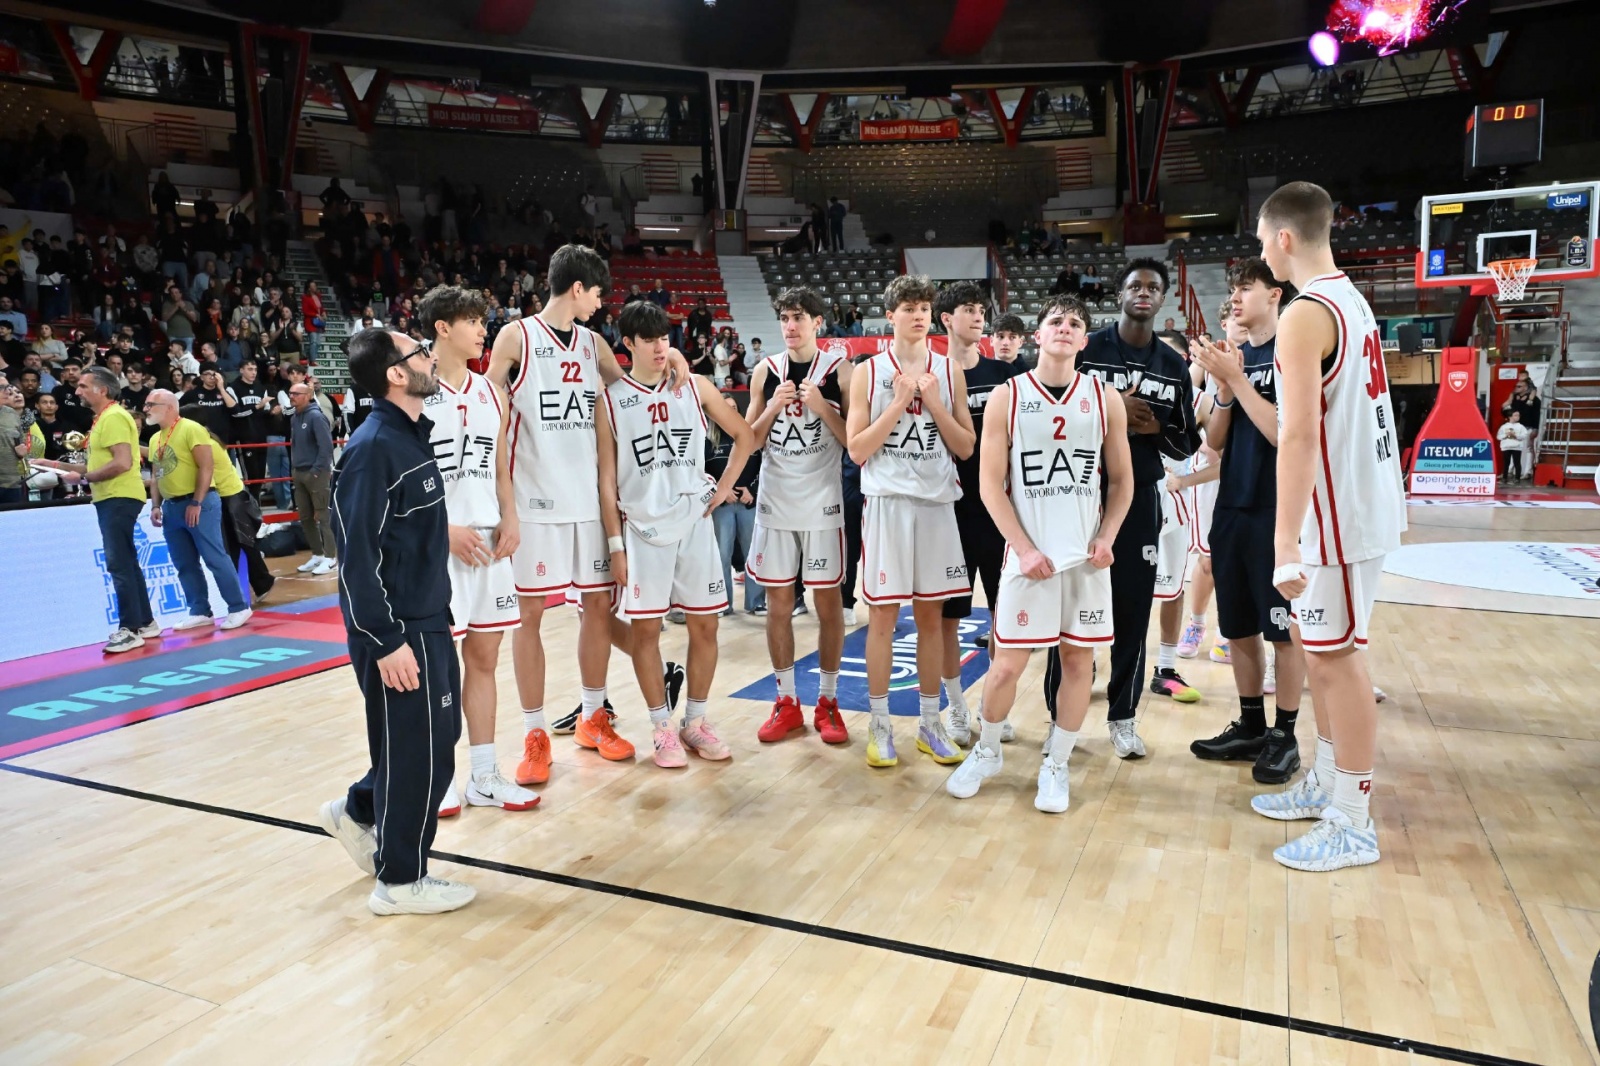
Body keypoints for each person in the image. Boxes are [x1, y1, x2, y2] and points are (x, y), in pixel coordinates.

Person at [486, 244, 691, 777]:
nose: (601, 303)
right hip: (534, 503)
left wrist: (673, 358)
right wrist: (500, 505)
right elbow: (487, 407)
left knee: (597, 608)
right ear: (577, 288)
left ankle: (593, 716)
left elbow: (633, 390)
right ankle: (534, 733)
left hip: (590, 504)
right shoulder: (516, 337)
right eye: (597, 292)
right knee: (529, 615)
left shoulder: (593, 343)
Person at [1254, 180, 1406, 872]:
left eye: (1264, 241)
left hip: (1337, 518)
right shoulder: (1350, 297)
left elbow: (1298, 435)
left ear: (1284, 238)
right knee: (1320, 655)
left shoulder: (1303, 314)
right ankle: (1325, 780)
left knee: (1338, 664)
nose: (1264, 253)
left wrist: (1285, 540)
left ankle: (1353, 818)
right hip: (1361, 503)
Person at [944, 295, 1132, 810]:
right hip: (1028, 561)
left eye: (1075, 323)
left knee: (1078, 662)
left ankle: (1057, 763)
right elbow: (989, 485)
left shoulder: (1105, 398)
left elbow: (1122, 481)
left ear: (1084, 340)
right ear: (1038, 335)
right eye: (1055, 321)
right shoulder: (1007, 396)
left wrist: (1107, 536)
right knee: (1006, 666)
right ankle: (987, 751)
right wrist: (1023, 549)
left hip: (1085, 560)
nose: (1065, 328)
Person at [317, 326, 476, 916]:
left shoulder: (410, 436)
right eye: (420, 352)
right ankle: (401, 881)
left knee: (433, 741)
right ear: (396, 374)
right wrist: (385, 642)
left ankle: (360, 809)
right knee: (420, 753)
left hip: (427, 618)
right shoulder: (372, 449)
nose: (430, 358)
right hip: (398, 631)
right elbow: (356, 559)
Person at [1038, 258, 1200, 758]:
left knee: (1132, 610)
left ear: (1164, 298)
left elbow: (1186, 442)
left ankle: (1123, 716)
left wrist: (1152, 427)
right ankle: (1058, 720)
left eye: (1153, 287)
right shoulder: (1088, 349)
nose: (1143, 292)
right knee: (1068, 614)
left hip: (1139, 499)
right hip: (1077, 496)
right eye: (1135, 285)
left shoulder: (1173, 366)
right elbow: (1049, 412)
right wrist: (1113, 413)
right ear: (1120, 293)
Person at [598, 300, 754, 767]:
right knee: (646, 632)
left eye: (664, 338)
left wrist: (723, 488)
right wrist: (615, 545)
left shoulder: (696, 385)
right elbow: (606, 481)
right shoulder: (611, 399)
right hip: (642, 528)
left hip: (694, 522)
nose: (659, 347)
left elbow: (745, 436)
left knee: (706, 625)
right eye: (649, 340)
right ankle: (662, 728)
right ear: (628, 344)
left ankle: (696, 721)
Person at [415, 284, 538, 817]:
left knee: (484, 659)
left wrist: (511, 516)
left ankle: (484, 775)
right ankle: (437, 775)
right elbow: (401, 475)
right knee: (437, 669)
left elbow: (499, 468)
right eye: (472, 321)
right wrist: (443, 528)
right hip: (436, 546)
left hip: (488, 542)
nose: (483, 330)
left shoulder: (492, 392)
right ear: (442, 328)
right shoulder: (413, 387)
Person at [845, 275, 976, 768]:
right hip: (888, 505)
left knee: (931, 621)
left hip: (937, 506)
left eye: (923, 307)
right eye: (908, 307)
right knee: (882, 618)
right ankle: (880, 726)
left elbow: (966, 447)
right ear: (890, 316)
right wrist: (899, 402)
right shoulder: (868, 372)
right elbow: (857, 449)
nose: (918, 315)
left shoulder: (949, 370)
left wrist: (935, 403)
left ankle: (929, 724)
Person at [1189, 257, 1308, 785]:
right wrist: (1223, 388)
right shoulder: (1238, 357)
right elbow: (1214, 441)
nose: (1235, 297)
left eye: (1245, 288)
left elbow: (1284, 433)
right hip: (1232, 504)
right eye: (1232, 289)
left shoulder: (1290, 352)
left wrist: (1237, 379)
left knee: (1282, 629)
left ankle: (1286, 734)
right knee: (1237, 625)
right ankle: (1252, 724)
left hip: (1276, 509)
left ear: (1275, 294)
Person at [744, 286, 853, 746]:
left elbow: (855, 442)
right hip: (776, 502)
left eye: (799, 318)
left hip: (823, 503)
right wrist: (773, 405)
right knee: (778, 606)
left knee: (828, 606)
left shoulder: (840, 370)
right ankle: (786, 701)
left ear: (817, 323)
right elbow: (750, 440)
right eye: (785, 318)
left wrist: (822, 408)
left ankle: (827, 702)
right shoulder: (765, 370)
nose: (790, 326)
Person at [936, 281, 1024, 746]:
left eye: (980, 310)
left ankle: (994, 705)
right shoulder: (931, 374)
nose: (978, 317)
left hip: (998, 512)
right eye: (968, 309)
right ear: (946, 319)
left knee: (1001, 616)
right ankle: (955, 706)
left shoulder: (1004, 374)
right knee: (948, 619)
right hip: (947, 511)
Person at [31, 367, 158, 651]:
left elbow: (122, 463)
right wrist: (55, 464)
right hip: (116, 495)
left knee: (119, 563)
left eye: (83, 386)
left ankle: (130, 629)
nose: (77, 391)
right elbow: (97, 464)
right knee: (126, 561)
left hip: (118, 496)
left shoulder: (113, 417)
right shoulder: (106, 418)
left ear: (102, 390)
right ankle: (145, 622)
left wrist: (85, 478)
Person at [144, 389, 253, 632]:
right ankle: (200, 610)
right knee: (184, 562)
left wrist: (196, 502)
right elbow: (156, 475)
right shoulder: (155, 439)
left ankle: (238, 606)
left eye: (151, 404)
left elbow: (206, 467)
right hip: (172, 506)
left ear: (169, 407)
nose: (146, 409)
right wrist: (155, 505)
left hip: (198, 503)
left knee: (214, 557)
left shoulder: (191, 429)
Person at [1176, 298, 1236, 665]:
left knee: (1240, 561)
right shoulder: (1209, 362)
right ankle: (1196, 623)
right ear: (1224, 324)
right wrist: (1202, 440)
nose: (1240, 326)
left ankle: (1227, 630)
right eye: (1234, 320)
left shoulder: (1269, 358)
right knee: (1209, 559)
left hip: (1251, 468)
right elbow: (1184, 404)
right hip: (1211, 473)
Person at [181, 403, 274, 600]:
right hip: (231, 495)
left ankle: (258, 584)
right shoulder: (208, 439)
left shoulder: (204, 444)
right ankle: (256, 584)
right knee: (237, 544)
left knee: (239, 543)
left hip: (230, 497)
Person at [709, 396, 764, 615]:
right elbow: (702, 473)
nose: (731, 412)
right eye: (726, 408)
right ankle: (723, 603)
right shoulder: (708, 442)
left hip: (748, 503)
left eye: (734, 408)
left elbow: (763, 468)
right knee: (722, 554)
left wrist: (752, 490)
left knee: (753, 553)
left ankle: (756, 601)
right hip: (721, 505)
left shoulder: (750, 437)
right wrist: (721, 490)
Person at [288, 379, 337, 575]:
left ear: (308, 396)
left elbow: (326, 447)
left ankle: (331, 557)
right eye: (290, 393)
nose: (292, 397)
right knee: (305, 517)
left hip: (316, 473)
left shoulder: (316, 417)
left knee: (323, 516)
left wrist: (316, 470)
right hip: (299, 472)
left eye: (296, 394)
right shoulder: (294, 417)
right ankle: (317, 554)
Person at [1498, 412, 1528, 480]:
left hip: (1517, 447)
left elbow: (1524, 435)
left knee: (1517, 463)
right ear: (1510, 417)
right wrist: (1506, 435)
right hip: (1506, 447)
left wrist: (1516, 436)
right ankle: (1504, 477)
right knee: (1506, 463)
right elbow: (1498, 436)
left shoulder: (1521, 426)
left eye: (1518, 415)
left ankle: (1517, 478)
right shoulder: (1504, 426)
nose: (1517, 417)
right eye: (1515, 415)